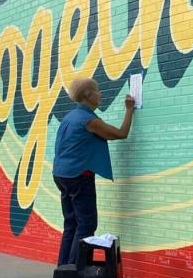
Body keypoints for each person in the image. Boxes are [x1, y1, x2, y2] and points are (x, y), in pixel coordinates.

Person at [53, 78, 136, 267]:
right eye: (97, 91)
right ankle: (75, 269)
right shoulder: (89, 120)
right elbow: (120, 134)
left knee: (71, 224)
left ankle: (63, 268)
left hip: (62, 174)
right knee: (87, 224)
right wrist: (129, 110)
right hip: (78, 176)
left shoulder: (70, 117)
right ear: (88, 96)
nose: (101, 95)